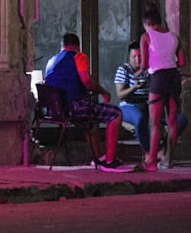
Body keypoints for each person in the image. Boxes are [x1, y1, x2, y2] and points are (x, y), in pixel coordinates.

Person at [43, 32, 133, 172]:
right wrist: (104, 92)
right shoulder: (78, 56)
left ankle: (99, 158)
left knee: (91, 123)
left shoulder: (51, 61)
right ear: (78, 46)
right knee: (116, 114)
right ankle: (110, 161)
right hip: (74, 107)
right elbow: (87, 81)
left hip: (55, 111)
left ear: (62, 46)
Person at [115, 41, 187, 156]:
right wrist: (134, 88)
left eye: (140, 56)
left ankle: (163, 150)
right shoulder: (123, 70)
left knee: (180, 120)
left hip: (150, 104)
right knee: (140, 119)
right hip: (130, 105)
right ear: (129, 57)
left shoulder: (150, 69)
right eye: (134, 57)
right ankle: (149, 153)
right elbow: (120, 94)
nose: (137, 59)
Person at [138, 4, 186, 172]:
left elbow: (144, 64)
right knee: (172, 122)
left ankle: (151, 159)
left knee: (155, 122)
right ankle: (168, 159)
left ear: (149, 23)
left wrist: (139, 72)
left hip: (158, 78)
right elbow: (181, 62)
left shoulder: (146, 36)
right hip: (174, 77)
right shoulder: (174, 36)